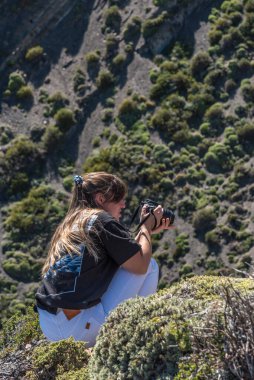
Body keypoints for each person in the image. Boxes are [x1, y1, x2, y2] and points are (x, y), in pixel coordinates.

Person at [35, 172, 173, 347]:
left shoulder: (74, 223)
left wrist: (145, 232)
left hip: (51, 325)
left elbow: (129, 254)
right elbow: (139, 266)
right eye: (119, 200)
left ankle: (131, 329)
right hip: (75, 329)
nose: (123, 204)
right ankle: (140, 334)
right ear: (100, 199)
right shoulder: (102, 220)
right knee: (150, 266)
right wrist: (145, 226)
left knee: (136, 264)